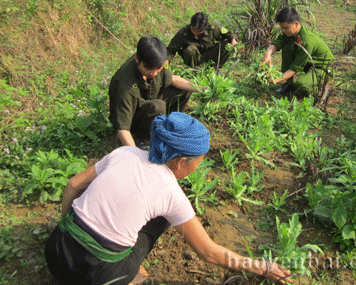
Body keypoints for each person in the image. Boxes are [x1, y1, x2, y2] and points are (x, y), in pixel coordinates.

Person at [45, 112, 293, 285]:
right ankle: (129, 277)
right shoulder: (170, 192)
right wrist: (264, 267)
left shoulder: (124, 152)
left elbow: (73, 184)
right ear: (182, 161)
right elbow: (209, 253)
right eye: (199, 161)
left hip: (55, 253)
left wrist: (68, 226)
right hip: (94, 277)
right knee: (161, 220)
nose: (199, 167)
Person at [109, 36, 203, 148]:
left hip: (149, 101)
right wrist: (134, 155)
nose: (154, 73)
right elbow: (123, 130)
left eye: (158, 68)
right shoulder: (125, 84)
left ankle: (171, 125)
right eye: (149, 69)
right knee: (158, 106)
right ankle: (140, 137)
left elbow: (172, 79)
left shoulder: (157, 62)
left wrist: (202, 89)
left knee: (185, 88)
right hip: (132, 119)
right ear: (137, 59)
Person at [261, 7, 334, 96]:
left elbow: (295, 68)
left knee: (301, 86)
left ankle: (323, 83)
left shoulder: (307, 41)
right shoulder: (290, 33)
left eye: (286, 28)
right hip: (309, 64)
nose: (283, 31)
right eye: (281, 28)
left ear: (296, 24)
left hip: (323, 68)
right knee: (287, 46)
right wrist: (268, 53)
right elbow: (278, 43)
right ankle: (289, 84)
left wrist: (276, 79)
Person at [167, 12, 237, 68]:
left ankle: (214, 68)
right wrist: (166, 60)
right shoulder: (183, 32)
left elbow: (229, 33)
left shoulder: (212, 28)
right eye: (193, 30)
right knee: (190, 49)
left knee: (228, 44)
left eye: (199, 31)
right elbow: (171, 49)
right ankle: (192, 69)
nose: (195, 33)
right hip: (193, 59)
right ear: (191, 25)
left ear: (205, 28)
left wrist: (233, 40)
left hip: (208, 54)